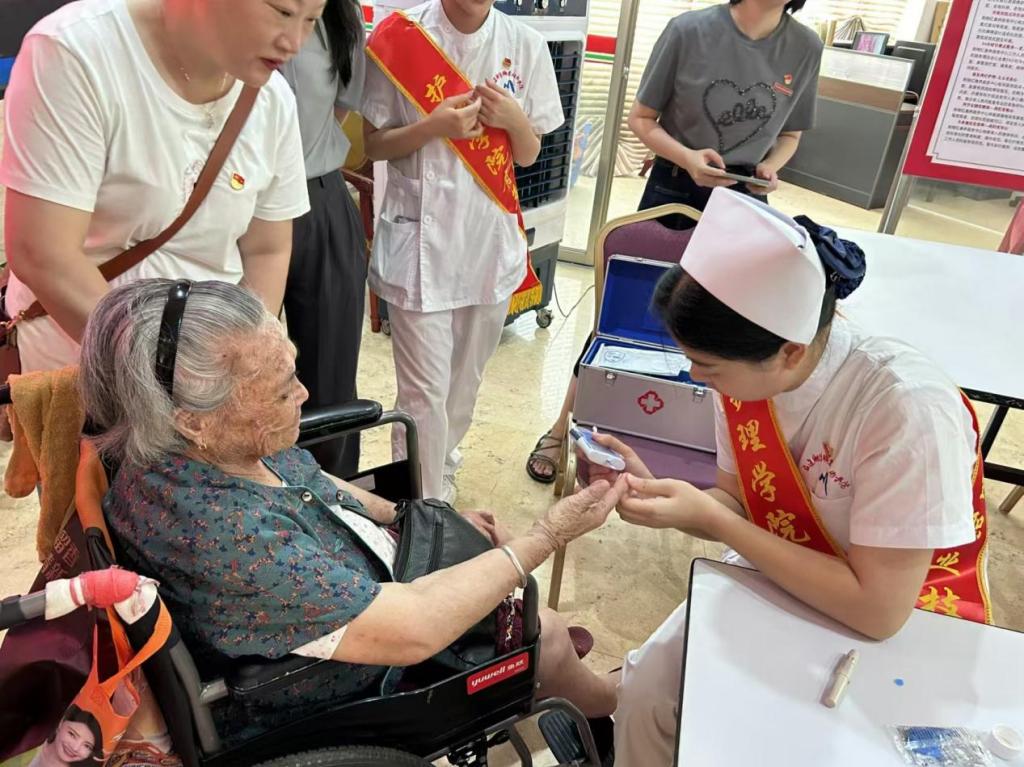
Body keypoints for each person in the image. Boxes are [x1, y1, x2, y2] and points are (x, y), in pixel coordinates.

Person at [78, 278, 622, 744]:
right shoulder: (231, 538)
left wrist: (408, 520)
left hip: (347, 577)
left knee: (481, 554)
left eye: (291, 371)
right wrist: (544, 537)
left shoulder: (194, 446)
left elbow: (307, 481)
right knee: (546, 630)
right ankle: (615, 700)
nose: (304, 392)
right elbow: (416, 626)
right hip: (342, 683)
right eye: (282, 390)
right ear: (194, 420)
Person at [573, 188, 988, 766]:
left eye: (707, 366)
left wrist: (716, 520)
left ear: (791, 352)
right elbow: (739, 504)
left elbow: (878, 612)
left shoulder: (905, 409)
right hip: (781, 572)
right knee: (647, 692)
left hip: (896, 619)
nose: (696, 377)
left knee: (772, 739)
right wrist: (668, 496)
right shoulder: (748, 371)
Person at [525, 0, 824, 482]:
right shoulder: (688, 29)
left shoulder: (805, 45)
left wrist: (771, 166)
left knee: (735, 333)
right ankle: (562, 428)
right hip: (675, 186)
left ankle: (713, 452)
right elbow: (642, 119)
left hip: (747, 198)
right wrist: (687, 158)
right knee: (626, 316)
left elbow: (791, 134)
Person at [0, 0, 316, 373]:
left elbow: (266, 249)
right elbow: (44, 254)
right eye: (282, 11)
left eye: (312, 19)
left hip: (208, 370)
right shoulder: (76, 52)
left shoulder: (272, 99)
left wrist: (246, 359)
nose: (294, 42)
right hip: (80, 364)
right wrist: (167, 371)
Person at [361, 0, 564, 502]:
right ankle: (422, 500)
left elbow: (529, 153)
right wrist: (432, 128)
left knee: (464, 385)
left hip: (488, 244)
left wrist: (514, 120)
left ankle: (441, 466)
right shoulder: (398, 35)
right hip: (421, 247)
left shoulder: (525, 44)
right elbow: (374, 146)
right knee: (423, 395)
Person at [279, 0, 368, 478]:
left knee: (330, 372)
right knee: (230, 368)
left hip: (318, 197)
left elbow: (340, 108)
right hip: (234, 204)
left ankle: (334, 494)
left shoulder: (338, 16)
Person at [28, 705, 103, 767]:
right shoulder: (32, 740)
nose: (75, 748)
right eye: (72, 734)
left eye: (87, 746)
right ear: (61, 723)